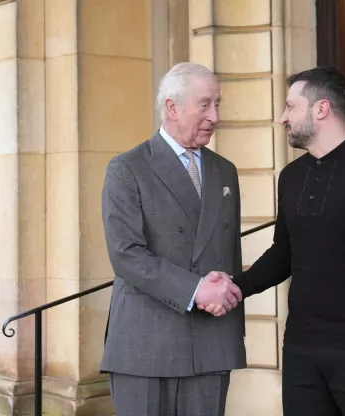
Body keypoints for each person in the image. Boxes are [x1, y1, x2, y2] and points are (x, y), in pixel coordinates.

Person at [199, 66, 345, 415]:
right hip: (301, 351)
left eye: (291, 106)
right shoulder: (291, 177)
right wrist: (236, 288)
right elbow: (283, 254)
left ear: (321, 109)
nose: (283, 117)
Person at [99, 62, 246, 416]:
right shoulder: (127, 167)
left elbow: (228, 251)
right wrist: (197, 290)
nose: (215, 115)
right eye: (205, 104)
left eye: (218, 104)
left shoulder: (224, 170)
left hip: (211, 342)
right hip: (145, 345)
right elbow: (126, 254)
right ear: (172, 107)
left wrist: (224, 294)